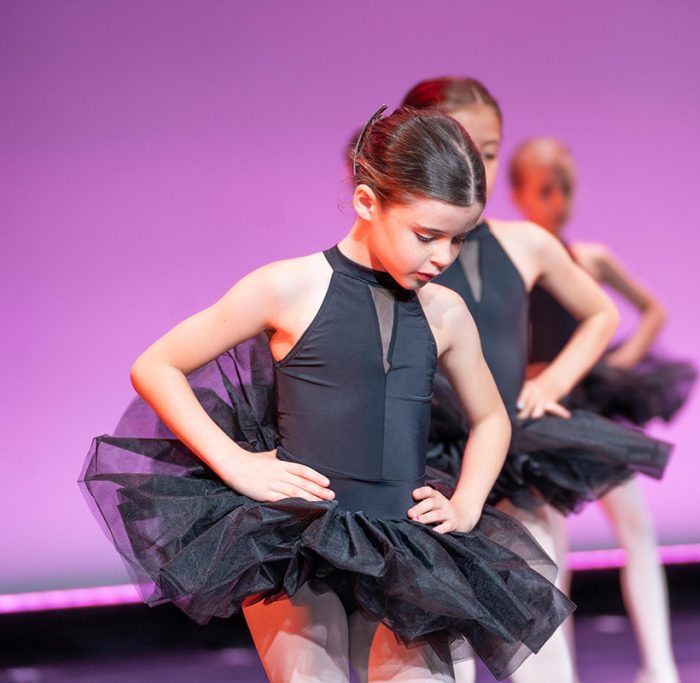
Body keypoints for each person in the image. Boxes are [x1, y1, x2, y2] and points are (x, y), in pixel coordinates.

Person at [79, 106, 574, 683]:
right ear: (367, 203)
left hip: (404, 544)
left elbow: (491, 418)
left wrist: (466, 504)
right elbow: (156, 365)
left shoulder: (446, 313)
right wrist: (236, 464)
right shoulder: (287, 287)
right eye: (426, 236)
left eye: (458, 239)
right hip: (298, 537)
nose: (443, 257)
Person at [401, 78, 672, 683]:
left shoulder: (525, 243)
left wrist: (552, 384)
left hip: (506, 453)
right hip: (421, 465)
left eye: (489, 152)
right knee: (442, 642)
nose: (477, 167)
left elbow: (601, 314)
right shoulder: (402, 252)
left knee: (538, 633)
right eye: (460, 148)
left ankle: (658, 666)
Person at [512, 137, 699, 683]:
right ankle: (559, 672)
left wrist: (620, 361)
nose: (559, 201)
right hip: (539, 412)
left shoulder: (587, 257)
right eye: (545, 190)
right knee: (552, 550)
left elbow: (651, 310)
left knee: (635, 525)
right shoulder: (514, 261)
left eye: (565, 189)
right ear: (519, 194)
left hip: (587, 404)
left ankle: (659, 667)